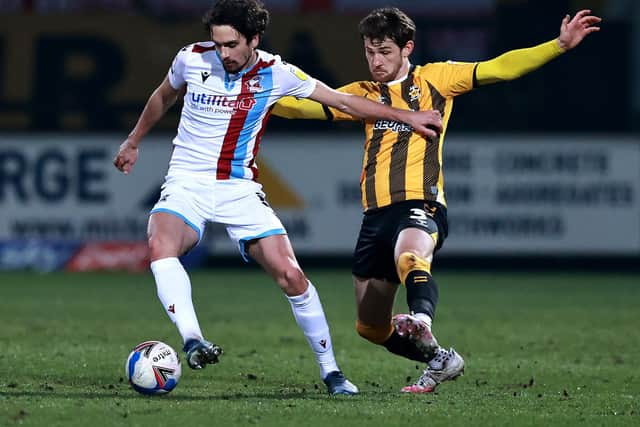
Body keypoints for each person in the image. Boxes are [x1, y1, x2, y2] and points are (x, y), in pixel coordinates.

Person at [112, 0, 443, 396]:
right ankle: (193, 340)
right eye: (218, 44)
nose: (224, 54)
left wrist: (409, 116)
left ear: (254, 39)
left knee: (293, 277)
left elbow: (341, 101)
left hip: (239, 189)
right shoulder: (190, 59)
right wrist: (133, 141)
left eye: (232, 45)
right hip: (187, 181)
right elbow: (163, 95)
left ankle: (332, 372)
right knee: (160, 246)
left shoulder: (277, 72)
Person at [272, 7, 601, 393]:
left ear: (407, 47)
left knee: (410, 256)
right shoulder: (361, 95)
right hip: (374, 217)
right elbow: (299, 106)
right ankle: (440, 360)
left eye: (385, 51)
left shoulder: (437, 79)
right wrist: (249, 93)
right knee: (370, 327)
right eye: (369, 52)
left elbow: (499, 67)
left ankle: (422, 320)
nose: (376, 61)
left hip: (422, 204)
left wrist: (558, 45)